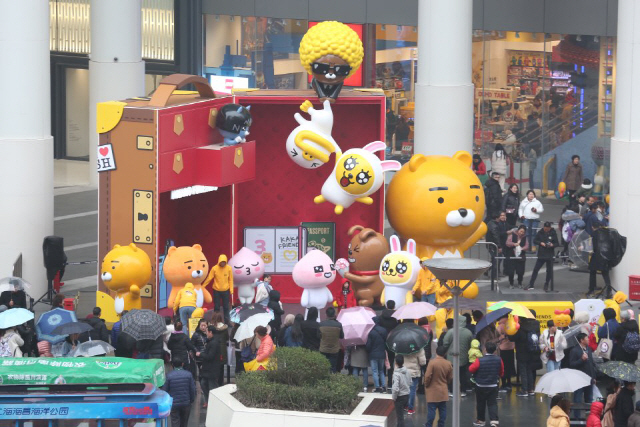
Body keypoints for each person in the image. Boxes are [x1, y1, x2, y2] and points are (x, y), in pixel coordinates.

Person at [469, 341, 503, 427]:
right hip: (493, 385)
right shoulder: (499, 359)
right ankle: (494, 421)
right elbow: (501, 372)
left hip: (481, 385)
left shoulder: (479, 360)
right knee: (492, 403)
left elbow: (471, 369)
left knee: (481, 403)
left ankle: (481, 420)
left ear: (485, 349)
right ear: (495, 350)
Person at [509, 313, 541, 397]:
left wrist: (510, 330)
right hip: (531, 352)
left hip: (522, 353)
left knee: (523, 372)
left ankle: (524, 390)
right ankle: (531, 389)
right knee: (529, 371)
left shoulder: (520, 328)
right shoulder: (534, 326)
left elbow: (512, 338)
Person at [442, 315, 473, 396]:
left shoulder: (451, 331)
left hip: (451, 357)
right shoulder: (468, 332)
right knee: (463, 374)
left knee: (451, 375)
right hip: (463, 357)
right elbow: (470, 344)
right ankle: (463, 391)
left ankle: (451, 391)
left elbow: (445, 343)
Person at [424, 346, 453, 427]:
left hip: (432, 391)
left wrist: (426, 384)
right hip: (443, 390)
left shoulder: (432, 363)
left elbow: (427, 376)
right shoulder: (448, 363)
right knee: (443, 409)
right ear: (445, 354)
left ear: (436, 352)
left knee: (431, 410)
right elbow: (450, 377)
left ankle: (429, 425)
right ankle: (441, 424)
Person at [162, 358, 196, 427]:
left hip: (174, 403)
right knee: (184, 422)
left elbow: (164, 390)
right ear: (182, 364)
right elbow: (192, 389)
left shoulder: (169, 375)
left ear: (172, 365)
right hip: (186, 403)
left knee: (175, 421)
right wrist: (191, 400)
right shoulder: (188, 374)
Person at [527, 222, 559, 291]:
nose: (546, 230)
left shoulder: (553, 233)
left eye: (547, 229)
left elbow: (557, 243)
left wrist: (552, 245)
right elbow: (535, 240)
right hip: (541, 254)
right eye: (545, 228)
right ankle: (531, 283)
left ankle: (546, 283)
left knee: (549, 271)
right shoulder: (540, 232)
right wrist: (540, 243)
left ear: (550, 228)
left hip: (550, 254)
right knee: (536, 269)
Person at [570, 333, 596, 412]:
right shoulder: (574, 351)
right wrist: (581, 360)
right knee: (577, 399)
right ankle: (576, 417)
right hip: (579, 379)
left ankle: (588, 417)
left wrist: (593, 377)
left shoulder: (589, 349)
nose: (588, 339)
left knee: (589, 399)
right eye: (586, 338)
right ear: (581, 340)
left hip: (589, 378)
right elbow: (572, 364)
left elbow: (592, 364)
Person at [204, 254, 233, 324]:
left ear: (226, 262)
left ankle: (227, 322)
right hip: (216, 290)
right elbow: (209, 278)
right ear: (219, 261)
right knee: (216, 307)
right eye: (221, 262)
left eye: (224, 262)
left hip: (226, 290)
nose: (222, 263)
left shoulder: (229, 268)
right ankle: (216, 322)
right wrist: (203, 286)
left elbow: (231, 280)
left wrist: (231, 290)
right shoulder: (214, 268)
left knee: (226, 307)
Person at [377, 300, 398, 390]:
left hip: (382, 341)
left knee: (382, 363)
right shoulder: (396, 317)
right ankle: (390, 383)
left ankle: (382, 383)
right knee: (391, 361)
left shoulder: (381, 317)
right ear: (394, 306)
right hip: (392, 341)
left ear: (386, 306)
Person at [200, 325, 222, 408]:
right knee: (203, 383)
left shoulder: (214, 343)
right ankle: (207, 401)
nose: (206, 333)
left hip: (212, 369)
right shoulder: (211, 341)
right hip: (208, 368)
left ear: (211, 332)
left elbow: (210, 356)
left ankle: (214, 402)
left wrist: (201, 354)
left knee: (212, 386)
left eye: (207, 331)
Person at [366, 317, 388, 393]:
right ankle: (384, 386)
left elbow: (368, 345)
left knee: (375, 371)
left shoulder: (371, 332)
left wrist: (368, 351)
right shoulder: (384, 330)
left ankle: (377, 387)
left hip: (373, 355)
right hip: (382, 353)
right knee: (381, 370)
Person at [319, 307, 344, 372]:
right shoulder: (338, 325)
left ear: (326, 314)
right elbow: (342, 336)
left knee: (323, 367)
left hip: (323, 348)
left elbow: (318, 336)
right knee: (333, 367)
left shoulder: (321, 324)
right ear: (334, 314)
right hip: (334, 349)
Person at [403, 347, 426, 415]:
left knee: (405, 389)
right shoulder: (419, 348)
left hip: (404, 372)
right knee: (412, 390)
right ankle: (410, 408)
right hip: (414, 373)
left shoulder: (402, 347)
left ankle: (405, 406)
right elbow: (423, 362)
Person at [486, 211, 508, 278]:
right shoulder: (494, 225)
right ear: (497, 218)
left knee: (494, 259)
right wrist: (499, 246)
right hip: (493, 245)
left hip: (491, 244)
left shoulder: (490, 223)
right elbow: (496, 236)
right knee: (496, 259)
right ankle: (494, 275)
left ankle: (488, 271)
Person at [391, 354, 412, 427]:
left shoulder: (396, 374)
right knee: (402, 415)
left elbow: (395, 388)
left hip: (399, 397)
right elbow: (410, 382)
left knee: (400, 417)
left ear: (396, 363)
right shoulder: (408, 371)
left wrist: (394, 397)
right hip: (407, 395)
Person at [497, 316, 515, 391]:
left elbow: (497, 337)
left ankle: (503, 384)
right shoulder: (511, 325)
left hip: (502, 349)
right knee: (510, 366)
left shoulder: (500, 326)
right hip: (511, 348)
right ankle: (509, 383)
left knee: (503, 367)